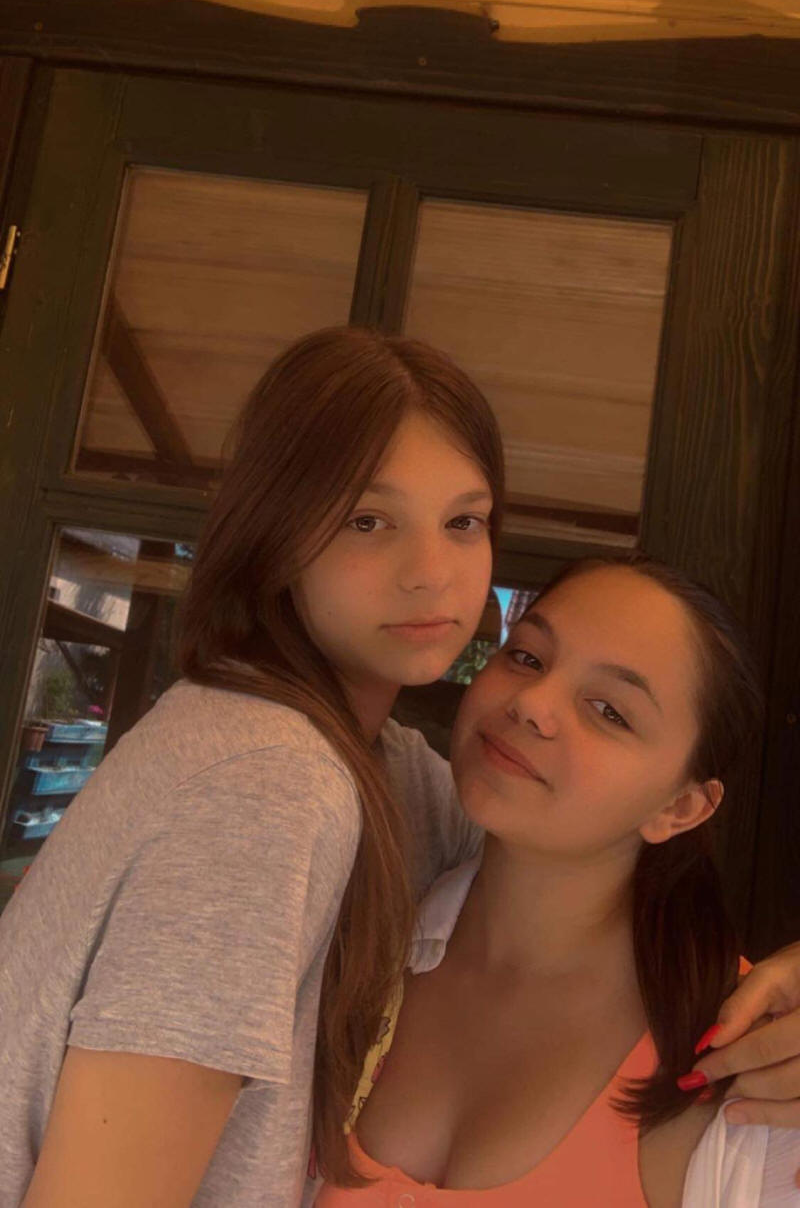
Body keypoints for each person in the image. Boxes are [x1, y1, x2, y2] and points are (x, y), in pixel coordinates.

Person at [2, 329, 800, 1208]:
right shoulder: (266, 783)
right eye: (368, 520)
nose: (431, 574)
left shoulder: (399, 785)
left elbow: (558, 855)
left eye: (463, 522)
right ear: (277, 532)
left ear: (687, 805)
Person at [315, 556, 800, 1206]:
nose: (531, 703)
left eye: (609, 711)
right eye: (526, 657)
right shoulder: (359, 941)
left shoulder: (756, 1061)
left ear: (681, 808)